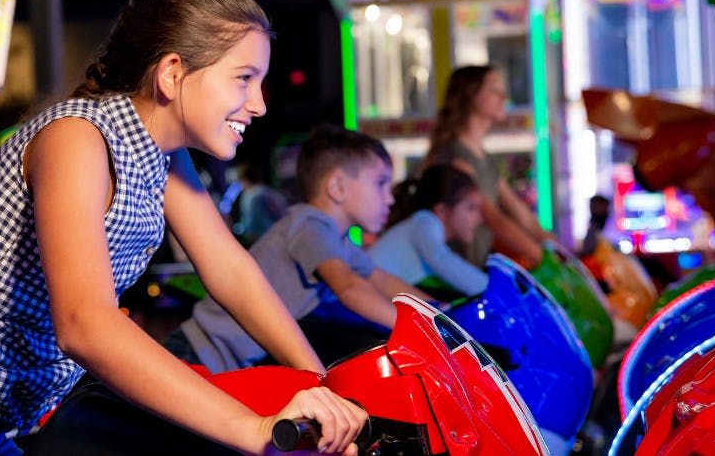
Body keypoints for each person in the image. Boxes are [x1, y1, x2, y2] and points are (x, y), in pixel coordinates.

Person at [0, 0, 365, 455]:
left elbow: (229, 270)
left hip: (25, 408)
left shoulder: (160, 154)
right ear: (172, 74)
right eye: (244, 79)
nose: (261, 105)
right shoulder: (77, 139)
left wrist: (321, 384)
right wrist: (254, 429)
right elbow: (85, 323)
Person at [170, 124, 437, 371]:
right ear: (337, 187)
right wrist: (421, 331)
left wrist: (439, 313)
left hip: (220, 358)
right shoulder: (309, 225)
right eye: (380, 183)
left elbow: (380, 279)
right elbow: (348, 286)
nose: (389, 198)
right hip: (198, 352)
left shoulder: (338, 239)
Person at [422, 64, 555, 270]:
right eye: (494, 90)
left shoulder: (486, 160)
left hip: (473, 266)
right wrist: (543, 258)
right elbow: (494, 219)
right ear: (470, 95)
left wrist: (558, 250)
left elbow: (521, 214)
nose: (504, 97)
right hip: (453, 273)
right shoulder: (454, 156)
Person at [368, 164, 488, 301]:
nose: (480, 218)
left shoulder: (421, 226)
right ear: (442, 210)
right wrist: (493, 289)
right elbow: (443, 261)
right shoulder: (424, 222)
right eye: (471, 208)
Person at [218, 162, 289, 246]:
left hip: (265, 243)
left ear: (243, 179)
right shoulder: (271, 192)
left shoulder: (250, 196)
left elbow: (250, 229)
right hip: (283, 239)